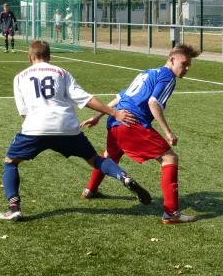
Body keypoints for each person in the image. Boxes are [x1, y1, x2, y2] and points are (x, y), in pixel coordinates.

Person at [0, 40, 151, 221]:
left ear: (30, 57)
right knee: (95, 159)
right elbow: (86, 99)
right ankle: (123, 177)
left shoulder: (20, 77)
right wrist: (114, 112)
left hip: (35, 127)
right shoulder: (61, 73)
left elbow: (24, 113)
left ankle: (14, 207)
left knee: (11, 162)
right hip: (67, 127)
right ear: (49, 56)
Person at [80, 44, 200, 224]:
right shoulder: (168, 77)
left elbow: (121, 97)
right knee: (170, 159)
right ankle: (171, 213)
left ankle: (90, 190)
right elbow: (154, 103)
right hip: (132, 123)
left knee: (109, 157)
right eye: (184, 64)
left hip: (114, 121)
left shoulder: (148, 72)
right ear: (172, 59)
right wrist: (168, 132)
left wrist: (98, 116)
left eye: (189, 65)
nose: (187, 68)